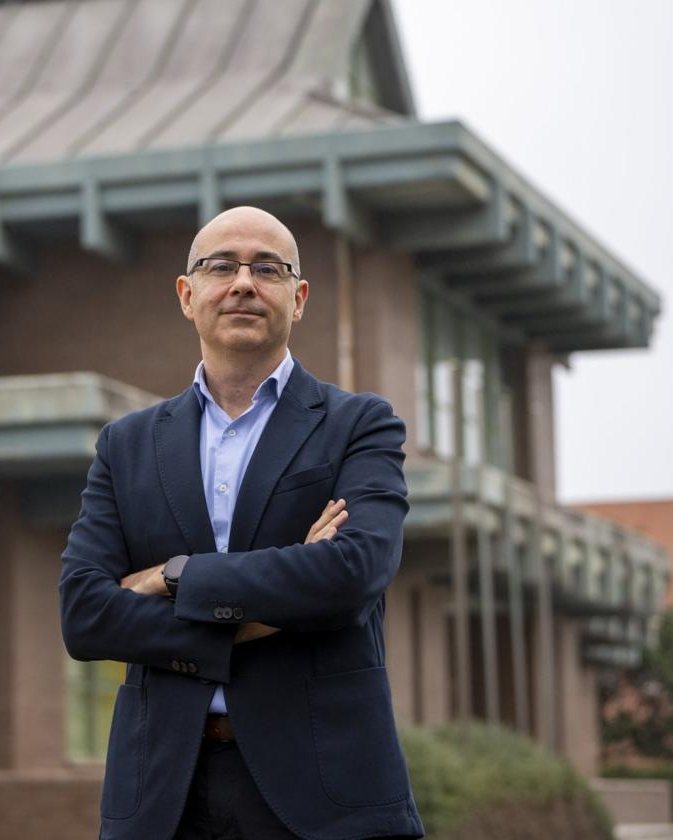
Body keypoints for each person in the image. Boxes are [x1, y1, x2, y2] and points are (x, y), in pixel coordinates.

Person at [58, 206, 424, 840]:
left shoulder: (359, 425)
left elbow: (351, 572)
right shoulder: (126, 445)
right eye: (221, 266)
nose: (244, 283)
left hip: (324, 796)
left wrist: (173, 578)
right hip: (162, 799)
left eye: (268, 268)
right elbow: (85, 615)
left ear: (299, 297)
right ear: (187, 294)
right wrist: (279, 601)